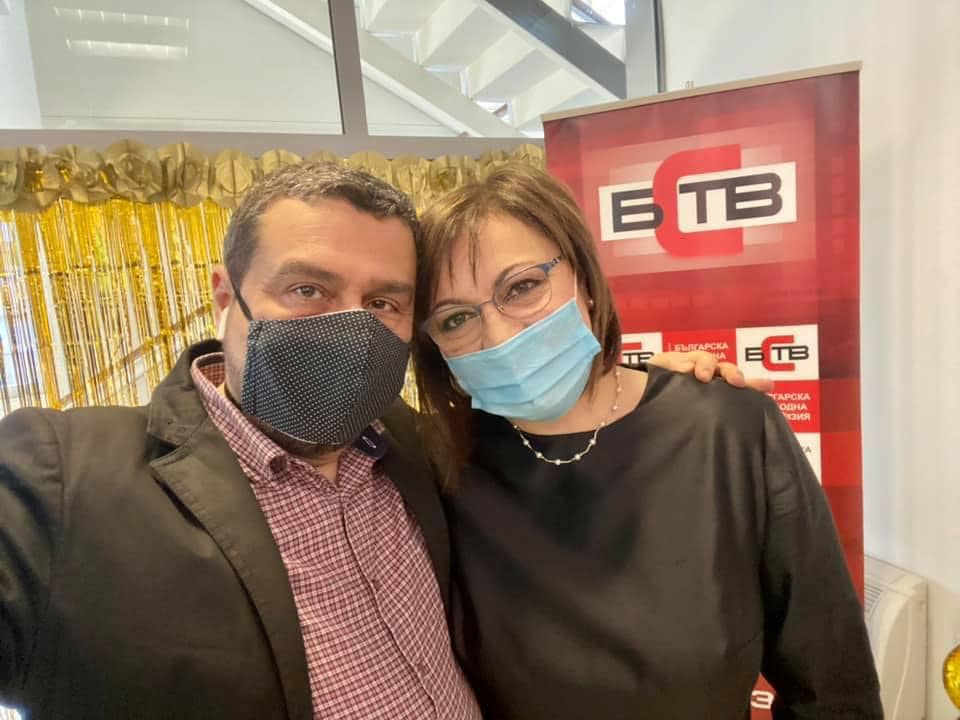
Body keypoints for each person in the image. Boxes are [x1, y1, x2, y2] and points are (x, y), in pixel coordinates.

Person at [0, 162, 740, 720]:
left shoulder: (420, 446)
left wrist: (655, 389)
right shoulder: (63, 480)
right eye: (308, 290)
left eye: (384, 301)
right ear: (228, 296)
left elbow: (560, 424)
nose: (350, 326)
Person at [412, 162, 883, 720]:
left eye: (523, 287)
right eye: (455, 319)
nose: (498, 336)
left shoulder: (727, 429)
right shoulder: (437, 467)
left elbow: (832, 684)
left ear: (585, 281)